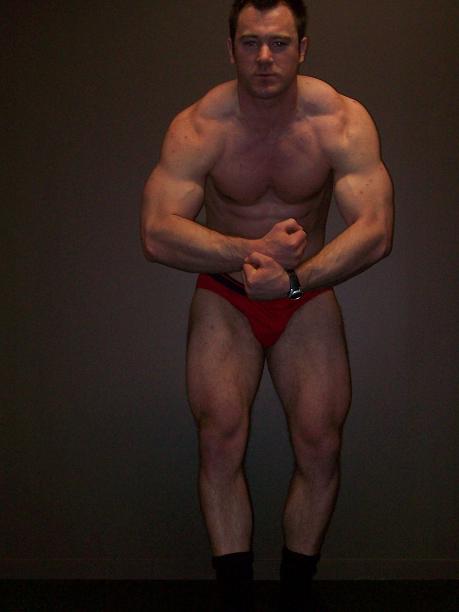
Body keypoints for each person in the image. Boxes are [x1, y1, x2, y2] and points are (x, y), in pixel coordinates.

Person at [140, 1, 394, 610]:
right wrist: (253, 251)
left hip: (306, 292)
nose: (263, 57)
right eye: (249, 42)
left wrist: (295, 280)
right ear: (230, 48)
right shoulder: (201, 126)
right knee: (219, 439)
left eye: (278, 43)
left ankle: (295, 594)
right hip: (226, 294)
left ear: (302, 49)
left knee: (321, 444)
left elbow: (376, 230)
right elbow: (156, 232)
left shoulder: (340, 120)